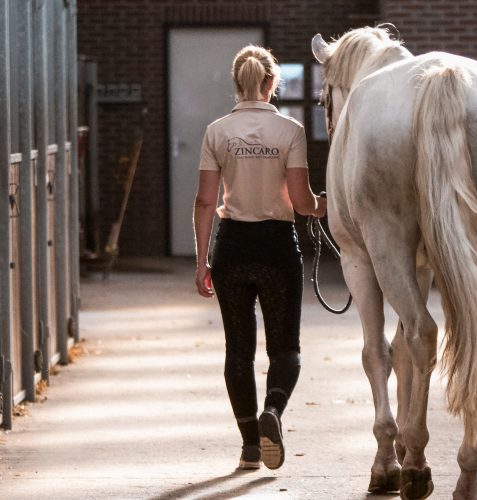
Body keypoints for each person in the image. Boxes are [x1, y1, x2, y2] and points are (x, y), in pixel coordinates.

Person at [193, 45, 327, 471]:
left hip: (231, 246)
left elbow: (203, 202)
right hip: (275, 247)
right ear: (272, 83)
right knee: (285, 348)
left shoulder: (216, 131)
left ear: (237, 83)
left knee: (238, 351)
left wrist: (202, 262)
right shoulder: (289, 131)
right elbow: (303, 203)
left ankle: (251, 446)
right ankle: (274, 411)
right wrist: (331, 206)